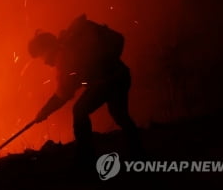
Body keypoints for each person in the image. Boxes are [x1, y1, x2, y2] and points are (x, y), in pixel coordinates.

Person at [28, 14, 142, 166]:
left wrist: (44, 112)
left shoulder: (65, 57)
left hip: (110, 81)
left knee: (80, 110)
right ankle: (138, 153)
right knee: (120, 115)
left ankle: (86, 158)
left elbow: (63, 94)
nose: (44, 62)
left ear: (47, 49)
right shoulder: (68, 47)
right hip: (119, 75)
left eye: (41, 56)